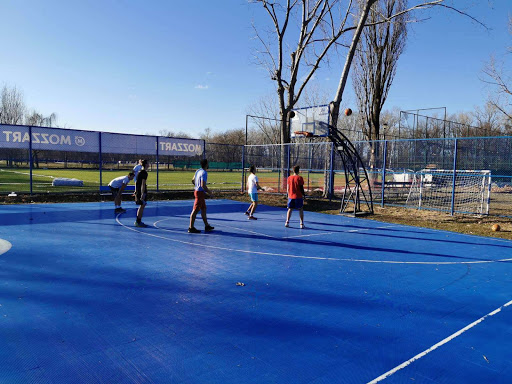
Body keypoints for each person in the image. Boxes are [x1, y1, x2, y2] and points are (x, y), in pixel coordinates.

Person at [188, 159, 214, 233]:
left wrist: (197, 185)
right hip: (199, 193)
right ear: (206, 164)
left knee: (203, 209)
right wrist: (210, 193)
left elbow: (193, 180)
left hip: (198, 191)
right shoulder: (204, 173)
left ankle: (206, 225)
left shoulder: (198, 171)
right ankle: (191, 227)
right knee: (195, 210)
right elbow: (203, 185)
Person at [134, 159, 149, 227]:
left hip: (138, 191)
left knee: (142, 206)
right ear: (146, 164)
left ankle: (138, 220)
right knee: (142, 206)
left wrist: (135, 191)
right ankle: (138, 221)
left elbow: (136, 182)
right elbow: (143, 184)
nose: (149, 165)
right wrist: (143, 194)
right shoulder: (144, 173)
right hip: (141, 191)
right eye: (148, 163)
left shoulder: (140, 172)